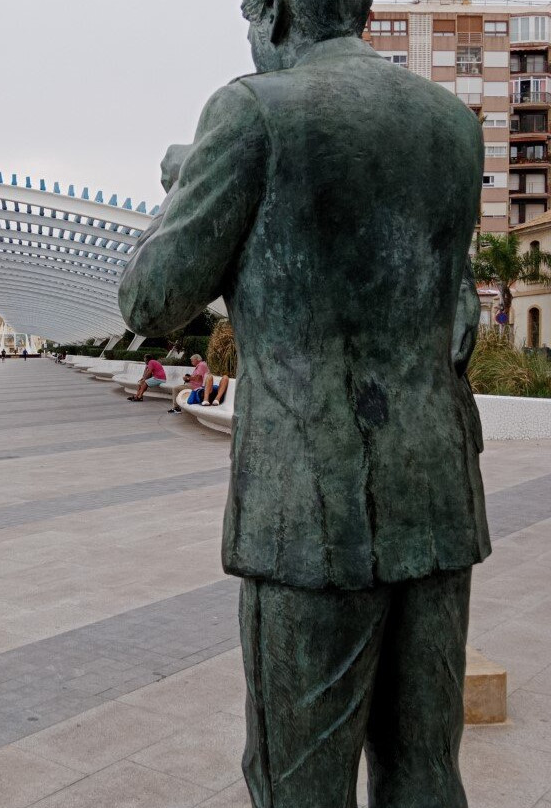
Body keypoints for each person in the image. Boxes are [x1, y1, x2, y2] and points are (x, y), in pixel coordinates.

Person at [117, 0, 489, 803]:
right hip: (439, 494)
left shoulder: (251, 112)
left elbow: (151, 304)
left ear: (279, 12)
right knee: (426, 770)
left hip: (311, 515)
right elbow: (457, 322)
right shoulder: (454, 129)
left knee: (299, 782)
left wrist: (183, 185)